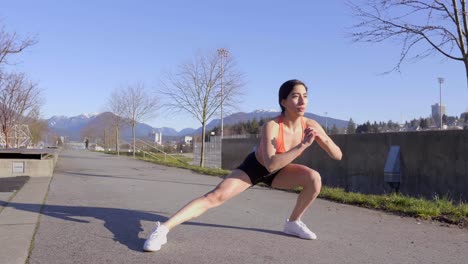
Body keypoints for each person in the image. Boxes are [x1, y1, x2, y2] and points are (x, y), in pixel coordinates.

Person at [143, 79, 343, 252]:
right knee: (214, 197)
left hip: (282, 170)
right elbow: (271, 164)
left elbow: (338, 155)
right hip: (256, 167)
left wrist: (323, 139)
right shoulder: (272, 126)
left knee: (314, 179)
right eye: (295, 96)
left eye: (305, 96)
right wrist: (302, 145)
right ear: (283, 101)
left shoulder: (311, 124)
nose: (302, 101)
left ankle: (293, 223)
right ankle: (163, 230)